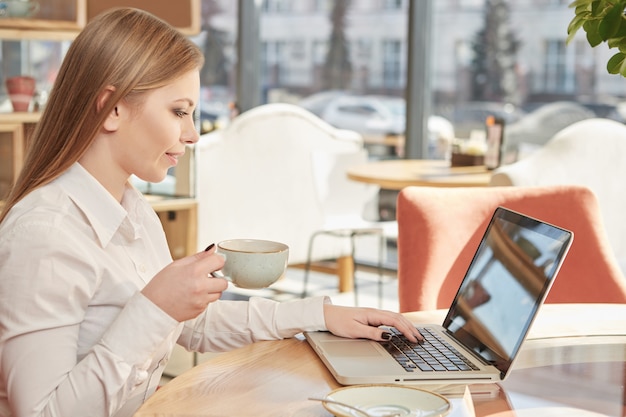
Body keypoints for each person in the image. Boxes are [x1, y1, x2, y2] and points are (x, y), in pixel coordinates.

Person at [0, 8, 422, 417]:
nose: (193, 134)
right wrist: (155, 307)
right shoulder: (45, 234)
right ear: (112, 107)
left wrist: (321, 316)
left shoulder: (130, 206)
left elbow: (189, 326)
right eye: (179, 111)